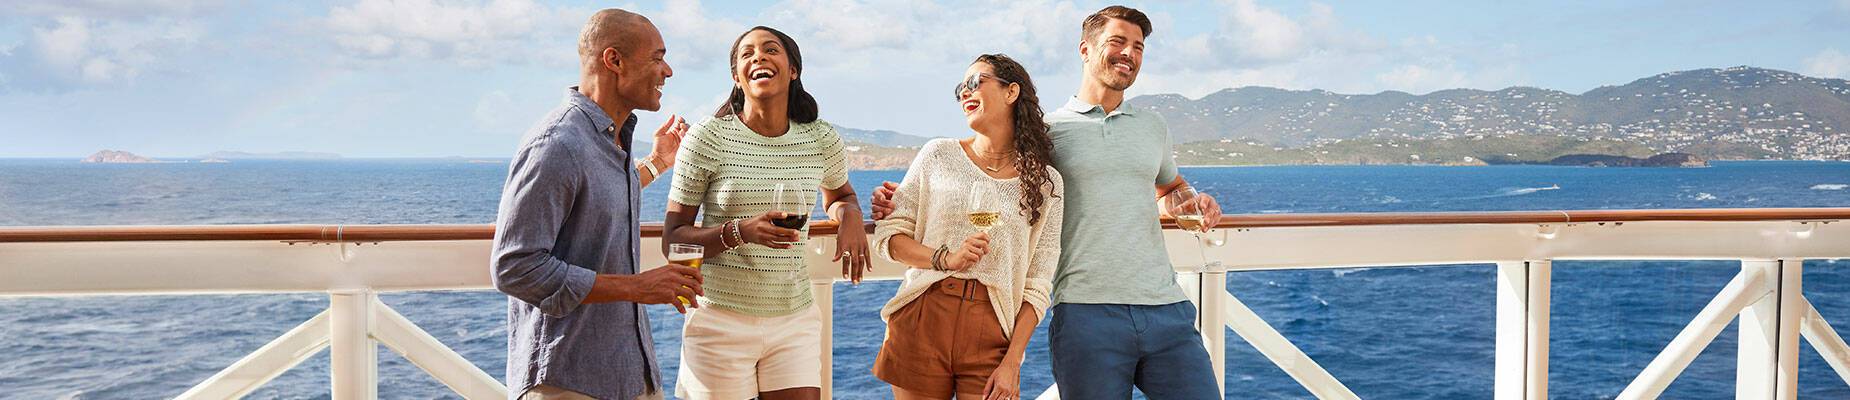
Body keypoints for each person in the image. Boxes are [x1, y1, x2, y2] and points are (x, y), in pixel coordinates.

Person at [872, 5, 1226, 399]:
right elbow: (987, 173)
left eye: (1138, 46)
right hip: (1086, 311)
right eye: (1117, 41)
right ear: (1085, 50)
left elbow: (1168, 190)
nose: (1129, 53)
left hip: (1166, 306)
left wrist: (1190, 204)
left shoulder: (1153, 127)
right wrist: (899, 200)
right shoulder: (1047, 134)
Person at [488, 8, 696, 400]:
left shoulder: (607, 138)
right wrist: (636, 286)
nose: (667, 71)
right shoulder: (556, 143)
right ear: (614, 60)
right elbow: (514, 267)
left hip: (629, 373)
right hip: (568, 381)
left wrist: (658, 162)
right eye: (657, 58)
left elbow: (603, 193)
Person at [660, 26, 870, 400]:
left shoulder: (821, 138)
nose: (758, 56)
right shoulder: (708, 137)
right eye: (747, 54)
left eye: (770, 49)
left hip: (794, 320)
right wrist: (740, 232)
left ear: (793, 70)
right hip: (719, 322)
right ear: (736, 77)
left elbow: (841, 195)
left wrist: (850, 216)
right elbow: (673, 243)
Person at [870, 54, 1062, 400]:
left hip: (993, 333)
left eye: (975, 82)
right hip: (923, 319)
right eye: (961, 87)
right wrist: (945, 258)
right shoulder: (937, 155)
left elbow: (1037, 284)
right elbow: (890, 236)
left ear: (1011, 91)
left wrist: (1012, 361)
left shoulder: (1046, 183)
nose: (964, 92)